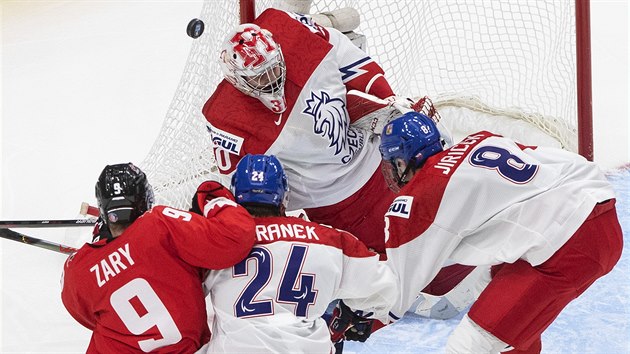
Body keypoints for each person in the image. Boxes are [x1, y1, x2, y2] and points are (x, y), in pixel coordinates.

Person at [202, 7, 477, 317]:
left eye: (273, 68)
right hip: (335, 205)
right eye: (260, 78)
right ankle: (430, 292)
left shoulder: (290, 31)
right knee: (395, 267)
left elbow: (356, 65)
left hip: (380, 162)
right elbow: (245, 188)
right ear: (239, 82)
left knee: (436, 226)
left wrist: (386, 104)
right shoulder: (225, 118)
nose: (272, 80)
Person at [375, 112, 623, 353]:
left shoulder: (419, 197)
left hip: (569, 246)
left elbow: (396, 295)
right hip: (600, 215)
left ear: (401, 161)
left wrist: (356, 316)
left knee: (468, 346)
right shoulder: (482, 140)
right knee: (497, 302)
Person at [199, 154, 397, 353]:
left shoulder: (212, 240)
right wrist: (356, 312)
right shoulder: (331, 240)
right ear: (284, 196)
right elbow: (386, 289)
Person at [61, 162, 257, 353]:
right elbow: (234, 240)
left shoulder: (77, 268)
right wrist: (215, 199)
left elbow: (84, 316)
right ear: (144, 199)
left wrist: (111, 250)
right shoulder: (159, 223)